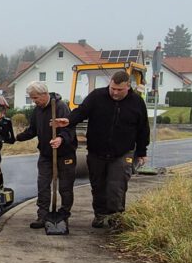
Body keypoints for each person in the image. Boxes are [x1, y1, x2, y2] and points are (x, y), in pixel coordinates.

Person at [53, 70, 150, 228]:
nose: (115, 92)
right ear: (110, 83)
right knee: (98, 186)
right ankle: (100, 214)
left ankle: (116, 217)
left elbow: (143, 129)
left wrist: (142, 152)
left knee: (117, 186)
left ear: (128, 87)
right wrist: (68, 120)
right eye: (112, 88)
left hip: (122, 152)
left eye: (119, 90)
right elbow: (81, 112)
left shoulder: (137, 102)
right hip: (97, 151)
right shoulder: (97, 96)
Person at [15, 81, 77, 229]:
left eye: (35, 98)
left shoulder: (60, 107)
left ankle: (63, 215)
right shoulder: (37, 110)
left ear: (44, 94)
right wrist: (16, 138)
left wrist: (61, 139)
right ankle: (42, 216)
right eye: (32, 98)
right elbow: (32, 130)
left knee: (65, 187)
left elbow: (70, 129)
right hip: (46, 154)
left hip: (64, 154)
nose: (34, 101)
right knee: (43, 185)